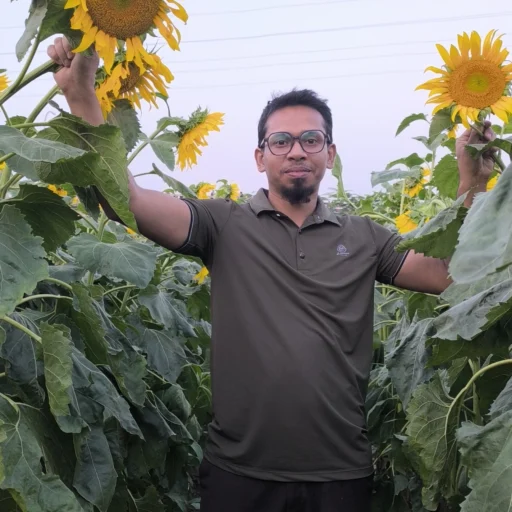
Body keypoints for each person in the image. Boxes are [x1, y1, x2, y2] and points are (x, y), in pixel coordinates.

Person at [47, 37, 496, 512]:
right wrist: (81, 94)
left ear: (330, 153)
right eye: (281, 141)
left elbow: (448, 274)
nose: (296, 151)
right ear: (261, 157)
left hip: (339, 472)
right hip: (239, 473)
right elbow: (127, 201)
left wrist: (473, 181)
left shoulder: (366, 238)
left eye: (311, 140)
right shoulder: (222, 225)